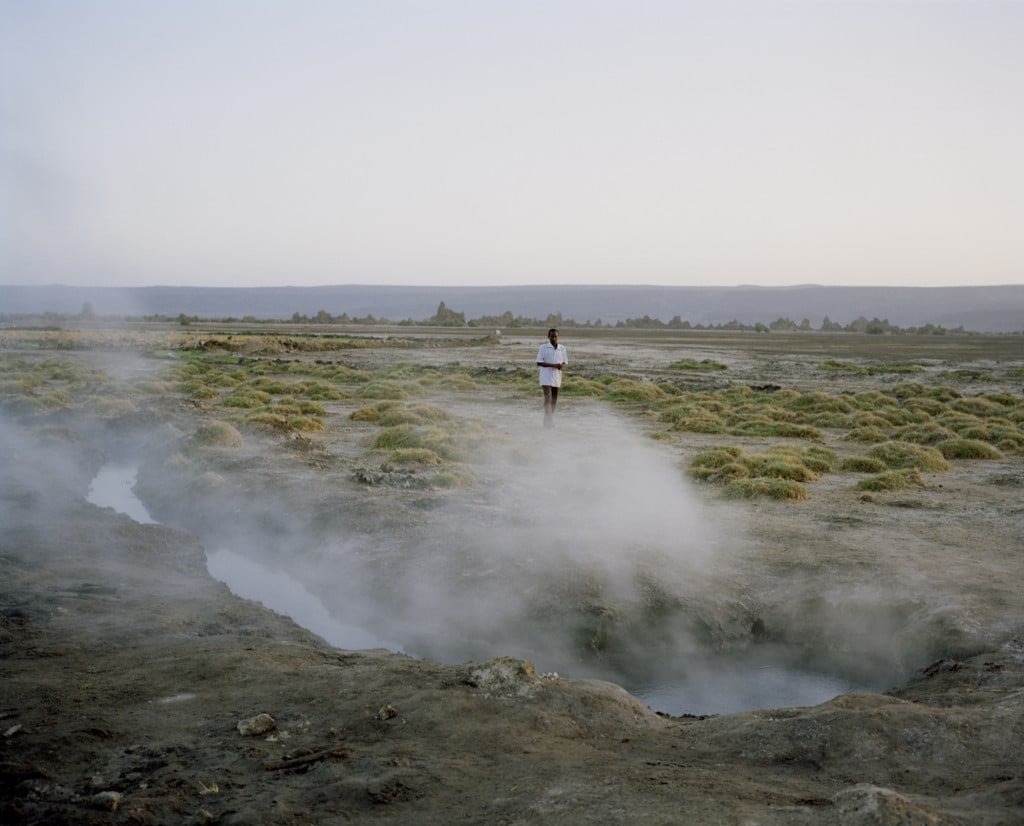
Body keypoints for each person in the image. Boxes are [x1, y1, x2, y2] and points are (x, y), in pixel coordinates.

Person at [536, 328, 567, 427]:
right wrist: (554, 365)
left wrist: (561, 365)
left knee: (554, 400)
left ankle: (547, 419)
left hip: (557, 378)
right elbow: (539, 362)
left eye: (555, 336)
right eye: (552, 336)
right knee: (548, 399)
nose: (553, 338)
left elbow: (564, 361)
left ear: (558, 337)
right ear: (548, 337)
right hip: (546, 377)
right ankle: (549, 422)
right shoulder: (543, 348)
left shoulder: (562, 348)